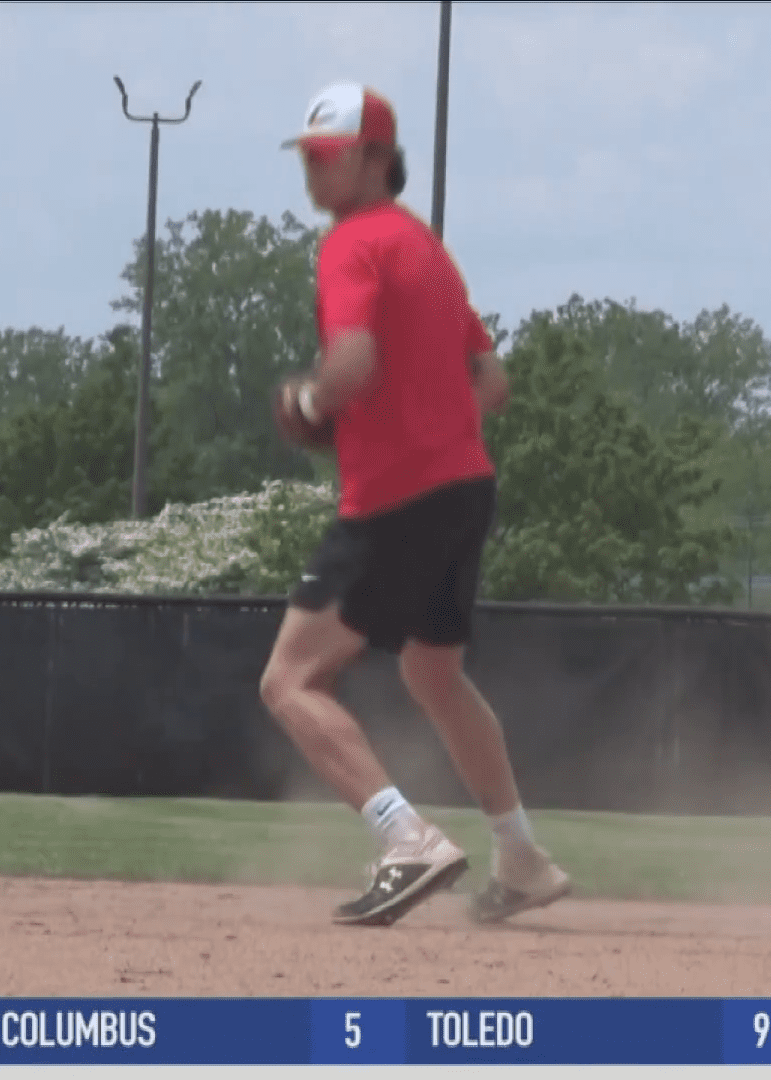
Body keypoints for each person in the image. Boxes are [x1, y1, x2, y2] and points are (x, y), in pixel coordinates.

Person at [259, 82, 572, 928]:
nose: (314, 174)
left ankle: (406, 839)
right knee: (432, 673)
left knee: (289, 680)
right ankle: (523, 858)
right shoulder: (425, 250)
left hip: (395, 496)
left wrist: (309, 404)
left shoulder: (354, 245)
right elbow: (494, 383)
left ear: (374, 158)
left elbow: (353, 362)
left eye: (327, 156)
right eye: (309, 158)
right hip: (465, 486)